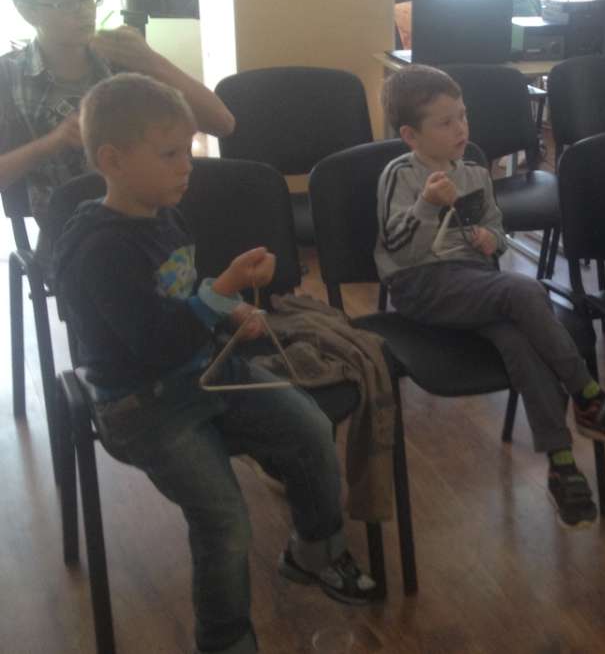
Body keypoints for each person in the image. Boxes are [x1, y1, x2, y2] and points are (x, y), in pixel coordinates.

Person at [54, 74, 375, 654]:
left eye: (189, 150)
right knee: (224, 520)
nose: (187, 167)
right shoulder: (100, 249)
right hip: (144, 407)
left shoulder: (163, 213)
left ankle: (314, 552)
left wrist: (229, 312)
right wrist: (222, 293)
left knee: (309, 428)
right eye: (169, 154)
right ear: (112, 160)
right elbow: (156, 342)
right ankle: (225, 641)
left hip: (204, 372)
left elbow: (182, 291)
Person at [375, 64, 605, 529]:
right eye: (445, 123)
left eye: (463, 116)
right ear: (410, 135)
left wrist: (493, 240)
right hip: (420, 285)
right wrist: (425, 204)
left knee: (518, 341)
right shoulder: (400, 175)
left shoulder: (473, 172)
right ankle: (588, 394)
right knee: (525, 289)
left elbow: (497, 230)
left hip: (473, 284)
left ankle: (561, 463)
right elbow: (397, 246)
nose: (461, 128)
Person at [0, 0, 233, 238]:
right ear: (27, 10)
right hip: (73, 235)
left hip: (155, 219)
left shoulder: (121, 56)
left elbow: (223, 123)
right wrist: (53, 142)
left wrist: (151, 61)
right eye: (66, 3)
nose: (85, 12)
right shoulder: (9, 76)